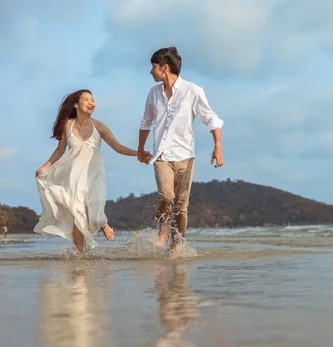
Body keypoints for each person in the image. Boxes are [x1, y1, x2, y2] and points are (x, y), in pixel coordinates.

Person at [34, 89, 149, 253]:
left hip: (93, 173)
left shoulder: (99, 126)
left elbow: (118, 147)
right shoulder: (67, 124)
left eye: (92, 100)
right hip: (74, 175)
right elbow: (59, 150)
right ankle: (80, 254)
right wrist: (44, 167)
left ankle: (102, 222)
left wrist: (138, 153)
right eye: (86, 99)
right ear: (76, 104)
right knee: (77, 213)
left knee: (93, 210)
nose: (91, 103)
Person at [137, 47, 224, 255]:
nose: (151, 71)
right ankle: (161, 232)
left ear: (164, 68)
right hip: (161, 155)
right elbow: (146, 122)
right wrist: (140, 149)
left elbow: (210, 118)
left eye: (153, 67)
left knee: (181, 205)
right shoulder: (153, 93)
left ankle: (175, 247)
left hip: (185, 155)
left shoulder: (192, 91)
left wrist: (217, 146)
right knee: (166, 196)